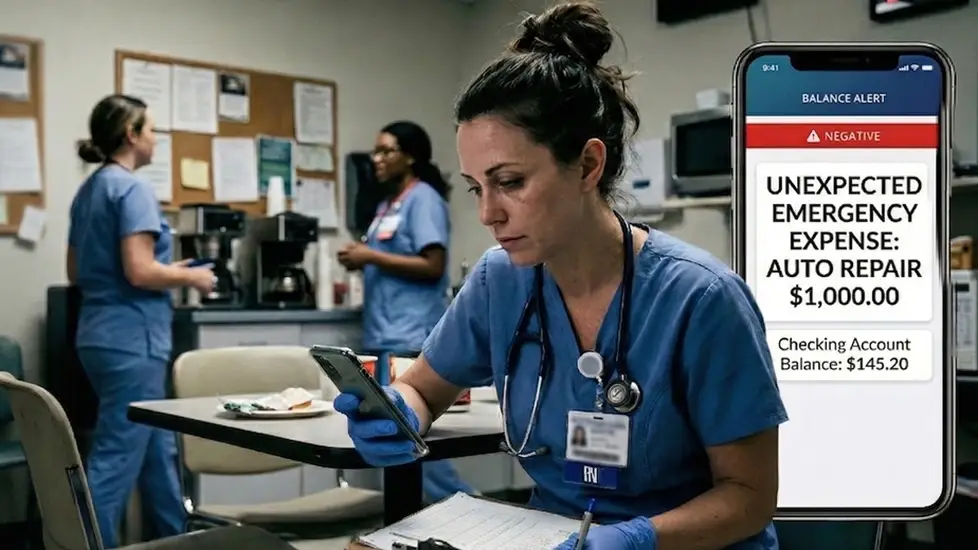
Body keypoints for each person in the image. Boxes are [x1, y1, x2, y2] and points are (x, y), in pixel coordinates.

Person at [334, 3, 787, 549]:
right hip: (549, 537)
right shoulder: (499, 282)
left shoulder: (700, 298)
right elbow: (424, 387)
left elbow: (749, 496)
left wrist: (634, 540)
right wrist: (400, 412)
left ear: (588, 166)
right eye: (479, 187)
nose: (488, 214)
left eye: (511, 181)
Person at [67, 94, 215, 547]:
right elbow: (140, 269)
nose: (155, 138)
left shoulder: (90, 188)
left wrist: (159, 270)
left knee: (157, 450)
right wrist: (192, 276)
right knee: (115, 458)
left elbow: (75, 272)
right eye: (151, 129)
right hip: (133, 341)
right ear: (131, 135)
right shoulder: (132, 188)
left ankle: (174, 540)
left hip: (98, 334)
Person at [337, 121, 476, 503]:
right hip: (384, 332)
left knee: (413, 444)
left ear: (411, 156)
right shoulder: (387, 205)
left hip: (412, 335)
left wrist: (369, 256)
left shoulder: (424, 198)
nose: (377, 159)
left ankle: (472, 514)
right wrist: (364, 259)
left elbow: (433, 265)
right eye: (375, 152)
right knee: (394, 442)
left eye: (387, 151)